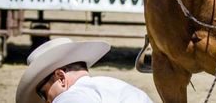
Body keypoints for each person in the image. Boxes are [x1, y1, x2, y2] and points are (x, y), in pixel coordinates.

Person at [16, 37, 153, 103]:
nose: (46, 102)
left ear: (61, 78)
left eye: (43, 94)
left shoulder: (70, 97)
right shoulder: (116, 86)